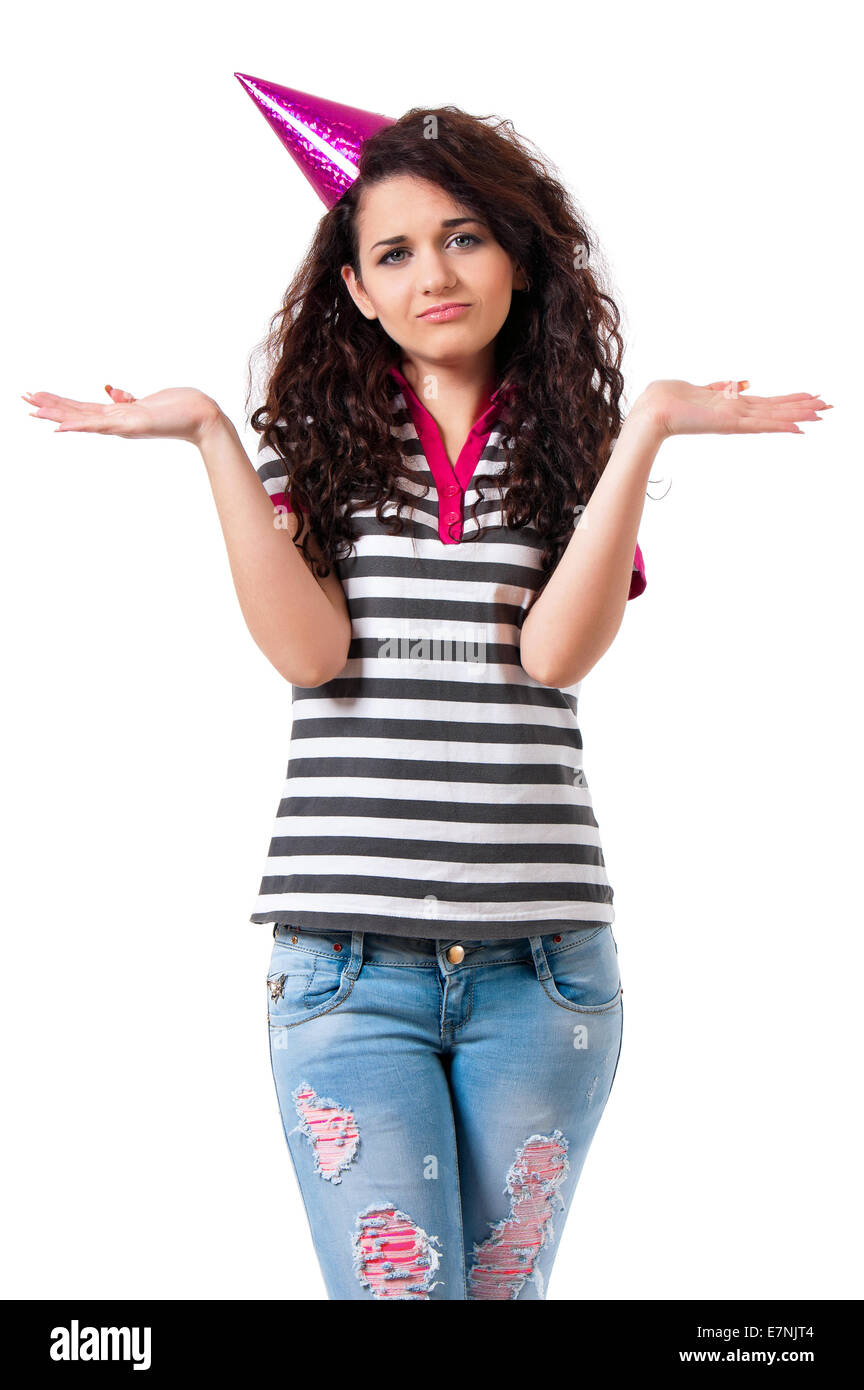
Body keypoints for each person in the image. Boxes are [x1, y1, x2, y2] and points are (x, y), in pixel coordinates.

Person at [23, 93, 829, 1301]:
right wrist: (209, 438)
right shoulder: (319, 445)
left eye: (463, 236)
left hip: (546, 972)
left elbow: (556, 658)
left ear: (516, 254)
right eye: (393, 251)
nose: (433, 273)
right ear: (355, 289)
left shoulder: (572, 447)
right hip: (346, 973)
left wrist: (648, 424)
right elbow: (307, 655)